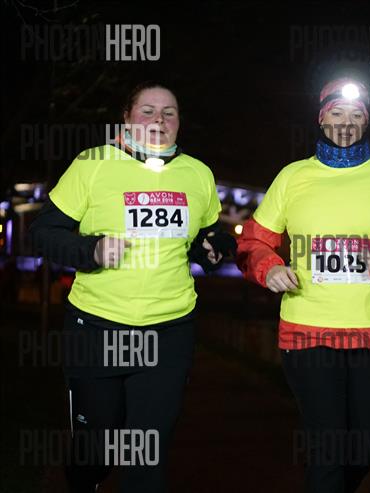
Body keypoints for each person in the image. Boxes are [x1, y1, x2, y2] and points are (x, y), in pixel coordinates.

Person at [30, 81, 236, 493]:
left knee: (147, 454)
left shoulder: (198, 173)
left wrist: (215, 249)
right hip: (98, 327)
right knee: (95, 451)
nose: (159, 119)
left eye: (169, 112)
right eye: (148, 111)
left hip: (169, 330)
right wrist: (91, 249)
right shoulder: (93, 164)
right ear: (125, 118)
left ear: (179, 122)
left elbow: (205, 235)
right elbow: (43, 233)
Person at [236, 77, 370, 492]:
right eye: (337, 113)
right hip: (308, 332)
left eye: (356, 115)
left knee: (361, 451)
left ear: (366, 122)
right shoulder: (293, 177)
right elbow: (253, 241)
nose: (346, 122)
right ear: (321, 120)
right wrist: (269, 268)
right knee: (327, 446)